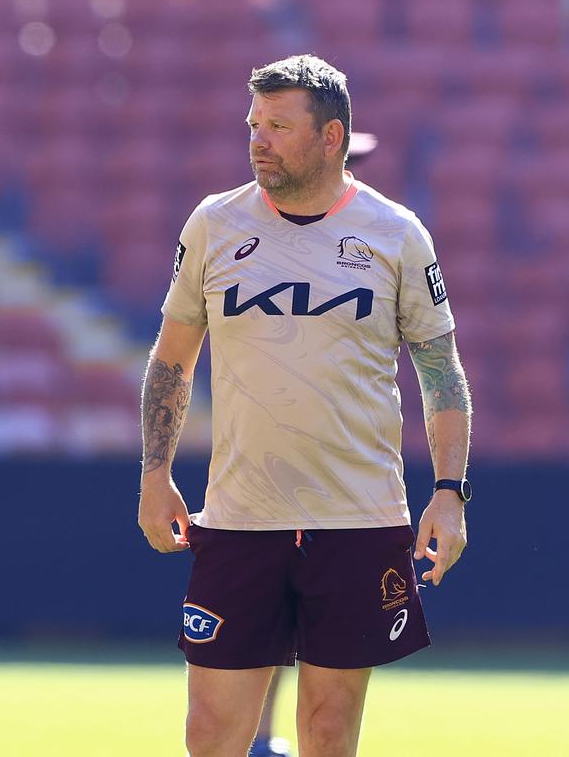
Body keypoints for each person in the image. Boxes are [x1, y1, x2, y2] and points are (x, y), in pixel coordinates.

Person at [138, 55, 472, 757]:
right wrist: (154, 472)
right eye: (254, 123)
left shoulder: (397, 234)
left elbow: (441, 372)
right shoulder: (214, 223)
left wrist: (449, 492)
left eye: (279, 126)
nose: (257, 139)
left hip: (358, 518)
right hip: (237, 518)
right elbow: (172, 358)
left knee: (326, 731)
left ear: (332, 137)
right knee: (210, 734)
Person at [246, 128, 378, 757]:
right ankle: (262, 737)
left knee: (327, 668)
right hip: (271, 468)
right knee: (273, 630)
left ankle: (273, 738)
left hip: (346, 478)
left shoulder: (384, 236)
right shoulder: (256, 234)